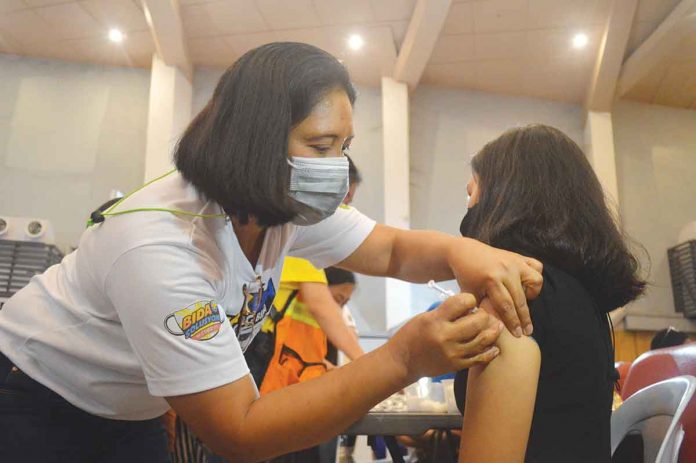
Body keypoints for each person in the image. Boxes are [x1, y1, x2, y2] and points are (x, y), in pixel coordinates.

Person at [0, 43, 542, 463]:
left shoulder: (280, 209)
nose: (335, 168)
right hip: (36, 398)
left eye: (344, 148)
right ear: (255, 141)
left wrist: (464, 251)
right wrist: (403, 358)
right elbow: (240, 430)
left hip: (130, 409)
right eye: (320, 146)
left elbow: (392, 249)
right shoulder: (160, 247)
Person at [454, 124, 646, 463]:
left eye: (471, 195)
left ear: (506, 201)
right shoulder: (581, 300)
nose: (467, 209)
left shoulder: (515, 300)